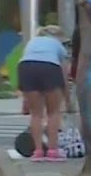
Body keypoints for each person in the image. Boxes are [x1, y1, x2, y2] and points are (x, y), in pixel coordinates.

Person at [16, 25, 71, 162]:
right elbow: (64, 75)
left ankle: (38, 151)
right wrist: (68, 100)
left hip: (25, 67)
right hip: (49, 68)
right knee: (53, 112)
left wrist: (25, 102)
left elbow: (26, 63)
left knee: (36, 114)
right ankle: (52, 151)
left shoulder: (32, 43)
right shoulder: (58, 46)